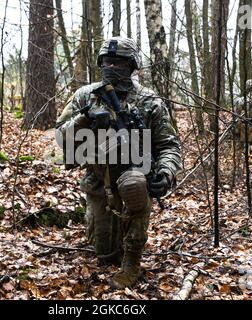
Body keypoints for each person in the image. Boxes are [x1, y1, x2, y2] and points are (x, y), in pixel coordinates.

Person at [55, 37, 182, 289]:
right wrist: (84, 118)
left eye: (119, 63)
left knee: (135, 185)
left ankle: (132, 263)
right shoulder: (85, 96)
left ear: (132, 65)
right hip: (98, 179)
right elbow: (60, 137)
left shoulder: (149, 101)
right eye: (107, 62)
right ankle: (113, 247)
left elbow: (169, 145)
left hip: (134, 176)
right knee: (104, 255)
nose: (111, 68)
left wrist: (166, 172)